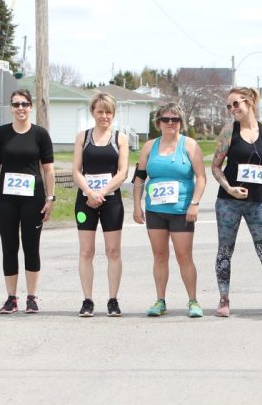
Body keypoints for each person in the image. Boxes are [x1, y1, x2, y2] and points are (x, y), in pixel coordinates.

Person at [210, 87, 262, 318]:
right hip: (228, 202)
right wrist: (229, 188)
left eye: (235, 104)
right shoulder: (229, 131)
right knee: (225, 251)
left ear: (249, 103)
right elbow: (215, 166)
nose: (232, 109)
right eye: (229, 106)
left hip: (258, 202)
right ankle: (224, 299)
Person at [133, 104, 206, 318]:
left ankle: (193, 300)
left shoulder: (189, 145)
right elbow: (139, 178)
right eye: (165, 119)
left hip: (181, 210)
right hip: (155, 210)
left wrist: (194, 203)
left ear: (181, 122)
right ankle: (160, 300)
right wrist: (136, 205)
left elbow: (201, 177)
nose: (170, 123)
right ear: (159, 123)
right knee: (159, 255)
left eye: (175, 119)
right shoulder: (149, 146)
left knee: (184, 256)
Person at [0, 89, 55, 314]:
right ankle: (11, 298)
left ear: (31, 107)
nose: (20, 108)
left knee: (31, 246)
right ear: (10, 108)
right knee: (9, 247)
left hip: (33, 200)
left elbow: (48, 169)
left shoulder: (40, 134)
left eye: (24, 104)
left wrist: (50, 198)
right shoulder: (1, 133)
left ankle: (32, 297)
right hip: (6, 200)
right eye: (16, 104)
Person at [72, 92, 129, 317]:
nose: (104, 116)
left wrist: (102, 192)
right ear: (92, 112)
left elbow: (123, 172)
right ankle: (87, 300)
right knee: (86, 250)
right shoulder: (82, 137)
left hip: (111, 200)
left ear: (113, 114)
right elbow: (76, 170)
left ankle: (113, 300)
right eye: (100, 111)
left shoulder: (120, 138)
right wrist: (89, 192)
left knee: (113, 250)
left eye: (108, 112)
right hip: (85, 201)